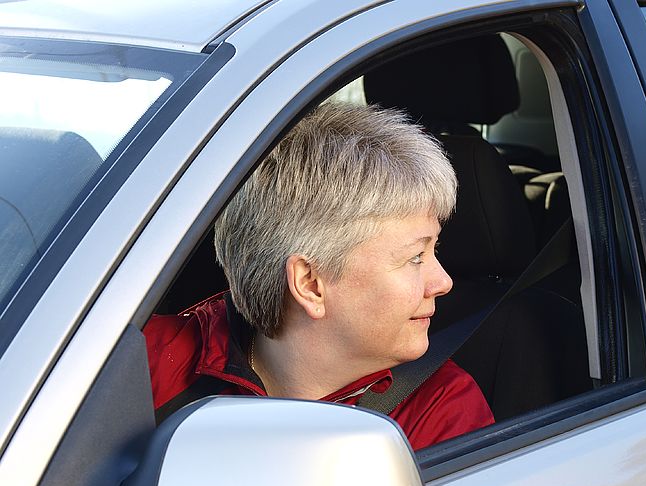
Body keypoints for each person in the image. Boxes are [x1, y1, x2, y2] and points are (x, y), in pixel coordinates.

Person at [144, 102, 494, 450]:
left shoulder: (442, 411)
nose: (443, 282)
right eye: (416, 257)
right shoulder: (146, 363)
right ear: (310, 285)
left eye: (433, 250)